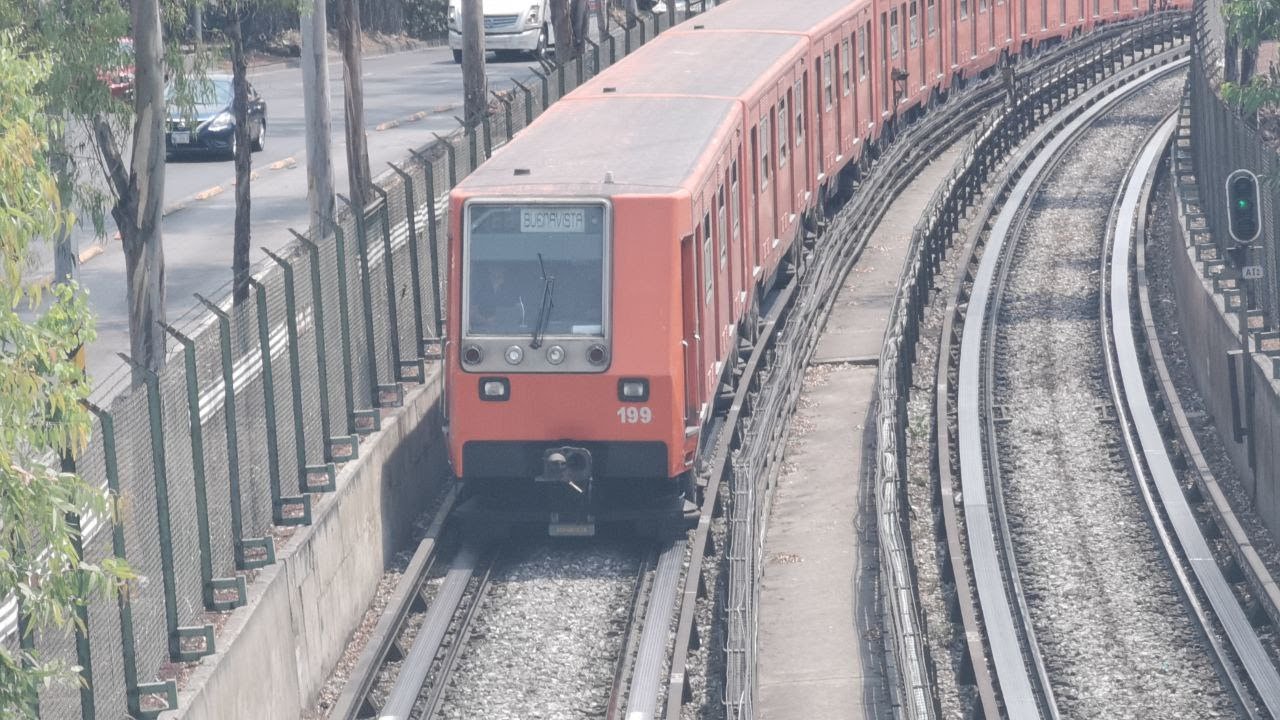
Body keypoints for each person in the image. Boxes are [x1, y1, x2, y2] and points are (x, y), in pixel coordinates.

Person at [471, 264, 526, 332]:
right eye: (493, 272)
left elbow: (519, 314)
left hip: (506, 331)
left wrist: (499, 319)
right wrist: (485, 321)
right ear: (489, 272)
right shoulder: (480, 290)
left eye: (500, 274)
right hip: (482, 330)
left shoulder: (512, 292)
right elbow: (471, 312)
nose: (496, 271)